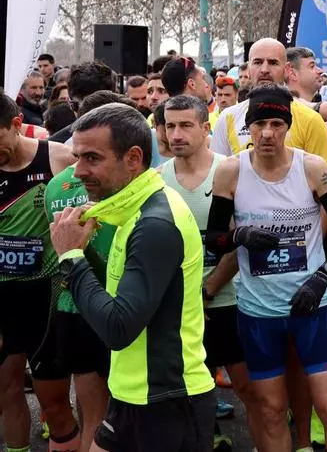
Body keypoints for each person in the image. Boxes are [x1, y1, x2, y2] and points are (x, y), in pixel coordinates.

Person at [203, 85, 327, 452]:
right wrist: (240, 235)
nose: (267, 133)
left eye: (276, 124)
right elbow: (213, 239)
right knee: (272, 411)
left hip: (312, 307)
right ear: (248, 127)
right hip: (259, 312)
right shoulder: (231, 171)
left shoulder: (312, 167)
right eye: (259, 124)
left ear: (288, 127)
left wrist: (324, 276)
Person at [50, 103, 216, 451]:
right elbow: (116, 295)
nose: (77, 171)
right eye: (77, 157)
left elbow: (118, 328)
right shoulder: (134, 210)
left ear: (133, 158)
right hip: (133, 393)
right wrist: (82, 251)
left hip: (165, 402)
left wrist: (71, 256)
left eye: (92, 158)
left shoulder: (154, 222)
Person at [156, 94, 254, 451]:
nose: (176, 134)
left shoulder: (232, 170)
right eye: (170, 126)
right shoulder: (157, 179)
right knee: (189, 390)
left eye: (185, 125)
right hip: (180, 306)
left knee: (249, 389)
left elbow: (239, 241)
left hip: (229, 300)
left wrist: (209, 290)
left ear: (205, 128)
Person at [0, 93, 83, 452]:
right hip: (4, 297)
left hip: (46, 295)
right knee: (6, 387)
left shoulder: (58, 158)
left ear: (16, 125)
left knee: (54, 402)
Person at [211, 39, 327, 162]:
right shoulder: (228, 118)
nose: (264, 69)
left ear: (287, 69)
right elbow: (218, 170)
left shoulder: (311, 120)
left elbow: (321, 172)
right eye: (258, 62)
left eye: (273, 63)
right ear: (248, 69)